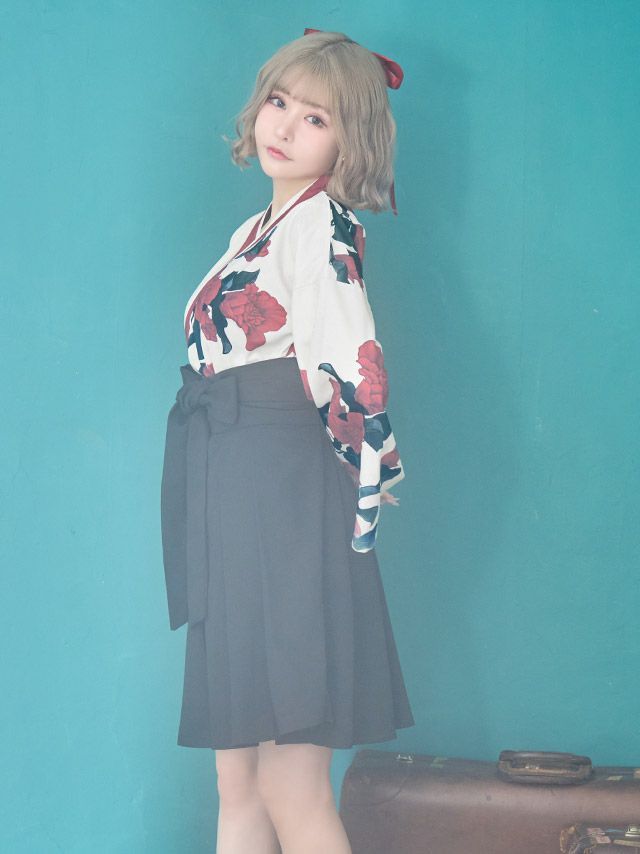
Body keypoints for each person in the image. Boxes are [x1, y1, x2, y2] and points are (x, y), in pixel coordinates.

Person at [160, 28, 415, 853]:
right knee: (237, 782)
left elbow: (349, 358)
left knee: (288, 784)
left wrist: (368, 467)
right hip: (235, 490)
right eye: (280, 102)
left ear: (348, 141)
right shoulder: (259, 227)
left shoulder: (321, 226)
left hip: (282, 498)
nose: (285, 126)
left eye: (316, 118)